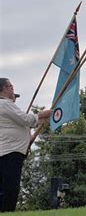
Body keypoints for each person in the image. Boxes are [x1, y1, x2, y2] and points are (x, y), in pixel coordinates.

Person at [0, 78, 51, 212]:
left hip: (10, 151)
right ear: (4, 88)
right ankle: (7, 211)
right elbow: (26, 119)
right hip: (10, 152)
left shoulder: (6, 106)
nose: (13, 90)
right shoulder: (4, 104)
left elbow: (26, 123)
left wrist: (42, 119)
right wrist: (44, 113)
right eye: (11, 86)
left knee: (8, 186)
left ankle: (6, 210)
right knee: (10, 187)